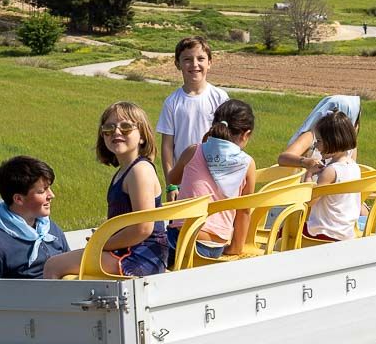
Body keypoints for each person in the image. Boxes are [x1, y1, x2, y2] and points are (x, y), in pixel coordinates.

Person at [43, 102, 169, 279]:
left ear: (142, 136)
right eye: (109, 129)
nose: (117, 132)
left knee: (53, 265)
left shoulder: (140, 171)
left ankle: (57, 307)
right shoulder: (125, 171)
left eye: (126, 127)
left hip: (140, 256)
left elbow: (143, 229)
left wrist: (102, 244)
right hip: (129, 250)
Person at [166, 99, 257, 261]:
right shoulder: (248, 164)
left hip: (181, 240)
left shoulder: (194, 150)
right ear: (246, 134)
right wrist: (235, 248)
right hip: (214, 247)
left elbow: (172, 178)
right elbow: (244, 211)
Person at [156, 36, 228, 200]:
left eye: (200, 59)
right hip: (183, 182)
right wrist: (171, 184)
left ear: (209, 62)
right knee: (183, 224)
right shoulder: (172, 102)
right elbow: (167, 147)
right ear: (177, 64)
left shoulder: (220, 98)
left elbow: (229, 140)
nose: (194, 64)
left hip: (214, 180)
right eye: (187, 59)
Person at [0, 156, 69, 279]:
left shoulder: (50, 228)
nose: (51, 195)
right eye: (42, 191)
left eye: (49, 188)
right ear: (19, 199)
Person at [303, 111, 362, 241]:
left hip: (324, 232)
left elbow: (308, 201)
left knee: (284, 231)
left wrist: (309, 174)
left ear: (332, 141)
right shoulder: (354, 167)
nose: (317, 147)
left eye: (319, 141)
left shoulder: (331, 171)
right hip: (346, 232)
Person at [277, 95, 361, 178]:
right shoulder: (312, 136)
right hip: (309, 186)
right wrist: (306, 162)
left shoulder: (348, 145)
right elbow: (283, 158)